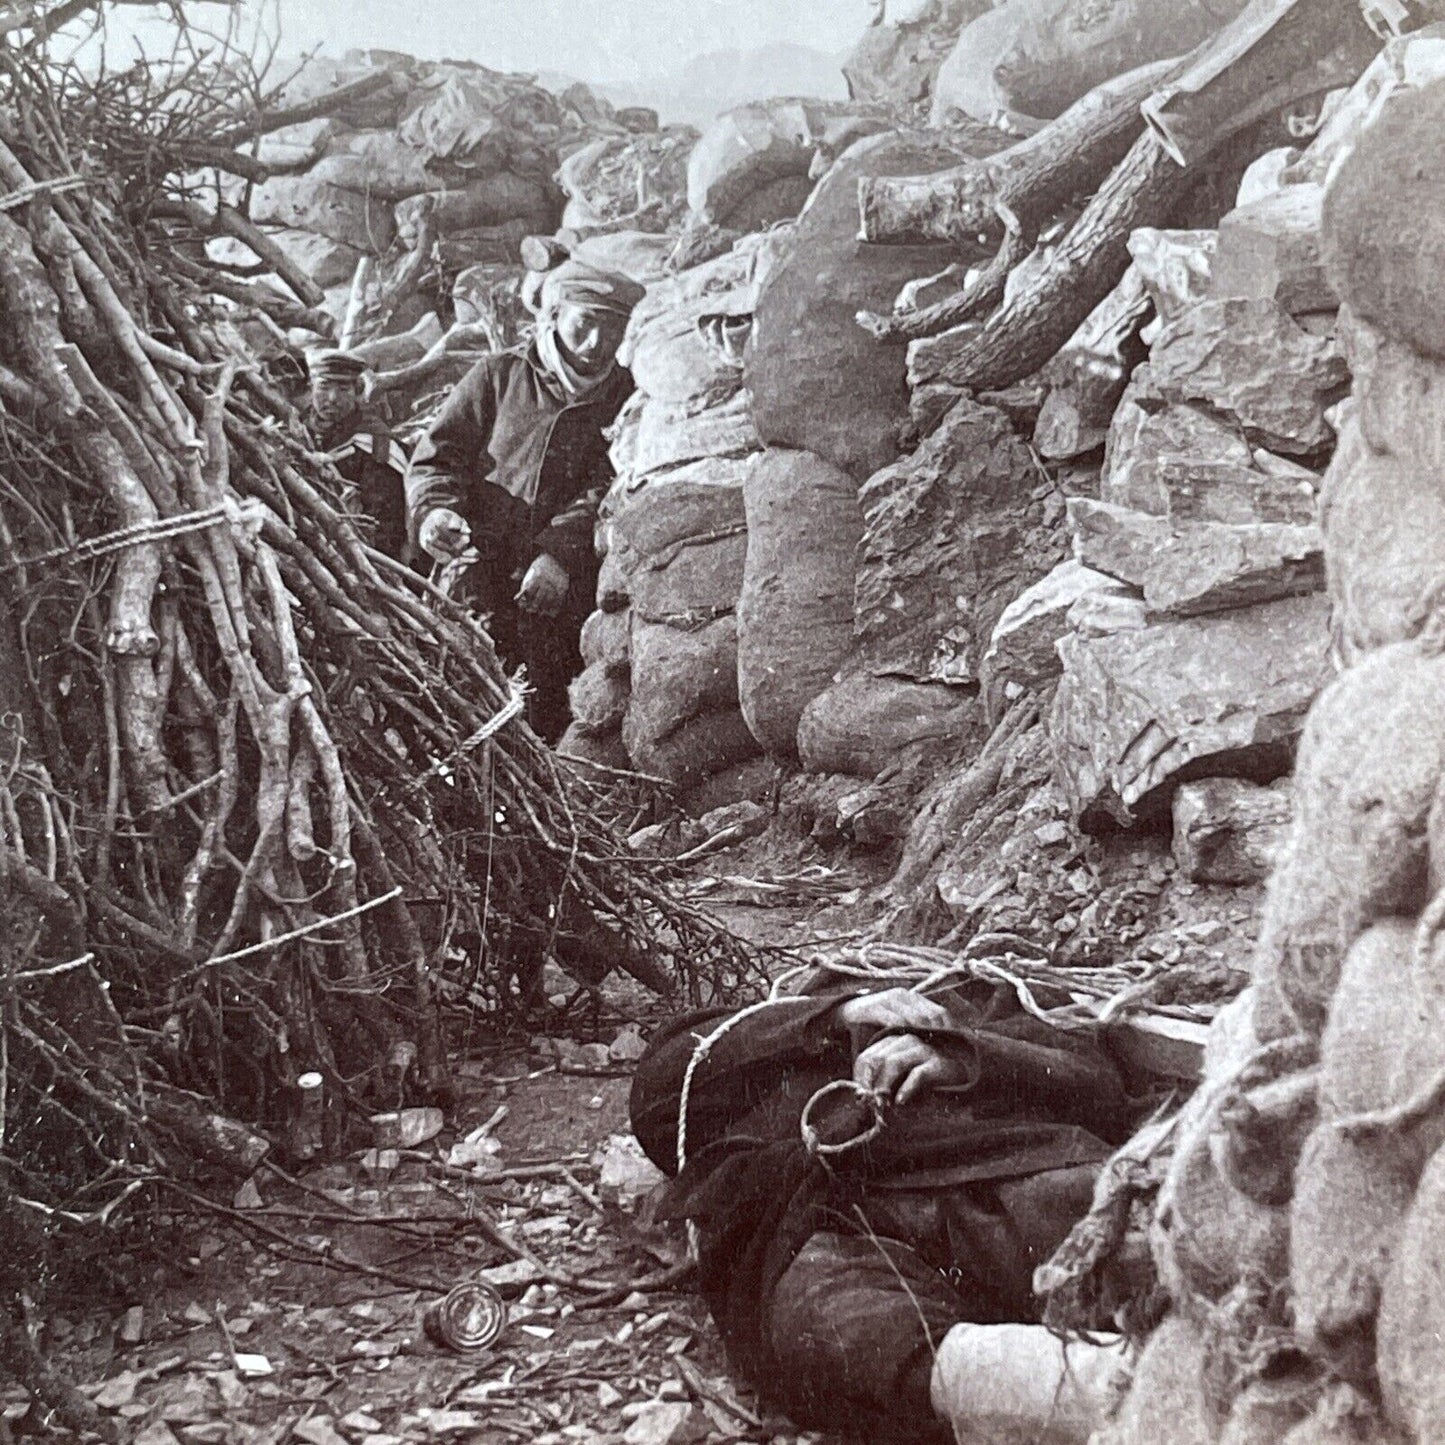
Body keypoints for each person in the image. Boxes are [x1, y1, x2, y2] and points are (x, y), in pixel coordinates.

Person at [630, 977, 1155, 1445]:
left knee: (1125, 1236)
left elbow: (1096, 1074)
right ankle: (1128, 1394)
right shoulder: (773, 1037)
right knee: (840, 1330)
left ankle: (1188, 1362)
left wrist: (965, 1055)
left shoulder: (967, 990)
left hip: (1001, 1170)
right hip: (825, 1223)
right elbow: (660, 1090)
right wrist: (839, 1014)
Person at [405, 260, 643, 743]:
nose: (597, 343)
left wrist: (559, 553)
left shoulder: (627, 397)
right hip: (480, 579)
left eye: (612, 329)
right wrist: (435, 513)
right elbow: (437, 458)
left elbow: (612, 486)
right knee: (461, 711)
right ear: (555, 316)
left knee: (549, 717)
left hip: (567, 597)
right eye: (585, 323)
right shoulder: (499, 376)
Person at [304, 350, 412, 565]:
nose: (332, 398)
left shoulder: (372, 443)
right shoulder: (299, 429)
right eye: (324, 387)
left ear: (357, 392)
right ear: (312, 388)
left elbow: (386, 528)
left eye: (343, 389)